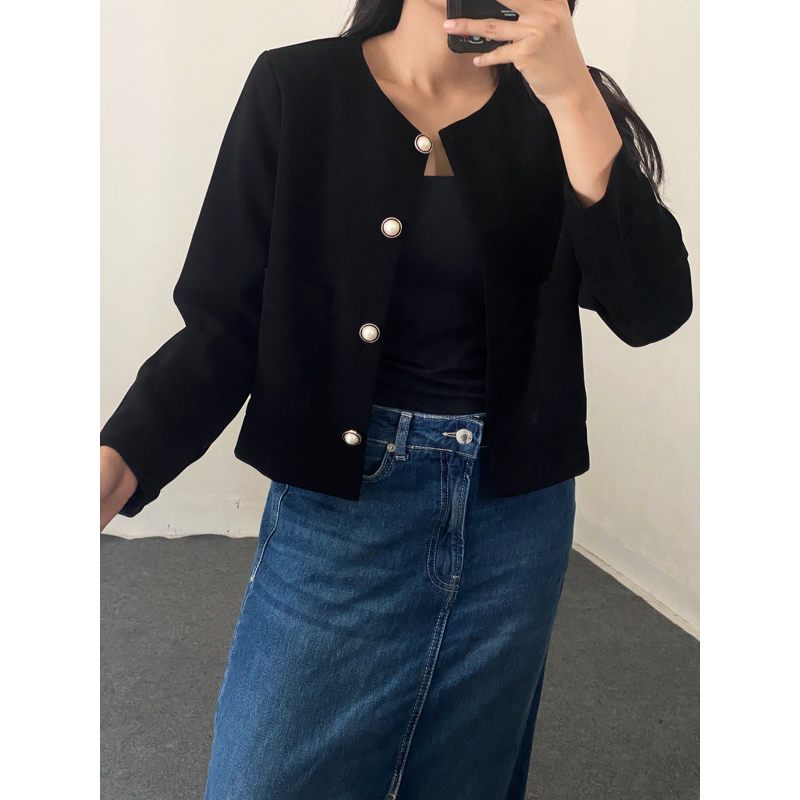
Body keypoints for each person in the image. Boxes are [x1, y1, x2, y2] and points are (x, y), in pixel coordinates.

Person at [100, 1, 693, 797]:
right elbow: (226, 323)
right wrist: (125, 454)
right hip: (340, 515)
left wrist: (573, 97)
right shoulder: (298, 88)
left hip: (516, 525)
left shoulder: (560, 105)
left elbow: (652, 309)